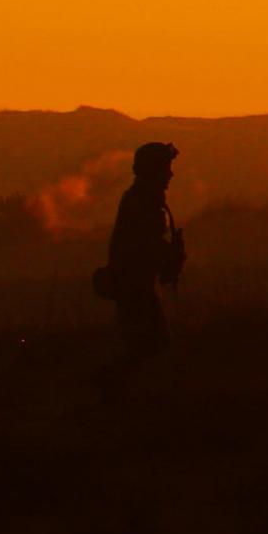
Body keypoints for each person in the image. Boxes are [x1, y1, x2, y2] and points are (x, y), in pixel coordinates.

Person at [95, 141, 185, 404]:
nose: (170, 174)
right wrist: (170, 256)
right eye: (166, 168)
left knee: (147, 343)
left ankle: (116, 392)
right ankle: (110, 389)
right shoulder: (144, 204)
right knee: (152, 342)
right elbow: (145, 249)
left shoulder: (142, 200)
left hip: (136, 286)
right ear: (154, 170)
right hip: (136, 288)